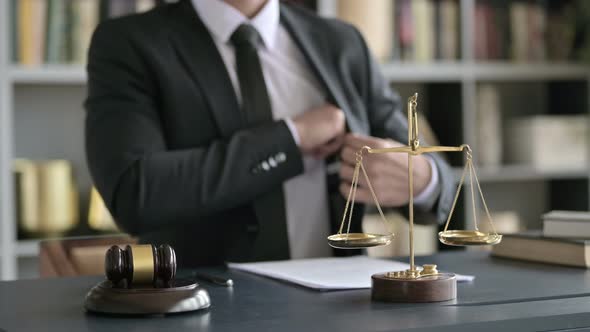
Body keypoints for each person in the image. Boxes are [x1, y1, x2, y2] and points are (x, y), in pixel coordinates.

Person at [85, 0, 455, 267]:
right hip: (203, 310)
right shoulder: (129, 43)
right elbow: (136, 193)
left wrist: (423, 179)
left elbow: (434, 178)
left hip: (343, 309)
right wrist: (291, 138)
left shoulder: (341, 42)